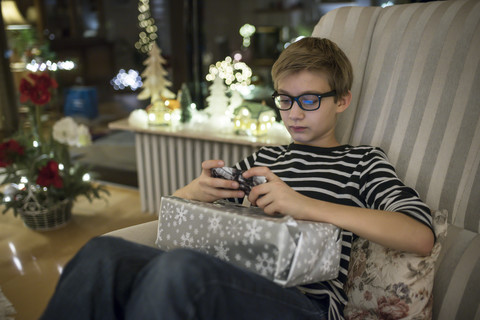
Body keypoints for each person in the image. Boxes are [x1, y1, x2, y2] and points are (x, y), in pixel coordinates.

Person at [41, 37, 434, 320]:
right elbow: (178, 225)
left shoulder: (362, 160)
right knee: (101, 253)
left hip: (304, 305)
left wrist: (303, 205)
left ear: (341, 100)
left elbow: (419, 235)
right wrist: (194, 192)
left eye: (309, 100)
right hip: (231, 279)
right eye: (285, 99)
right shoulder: (265, 158)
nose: (294, 113)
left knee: (180, 270)